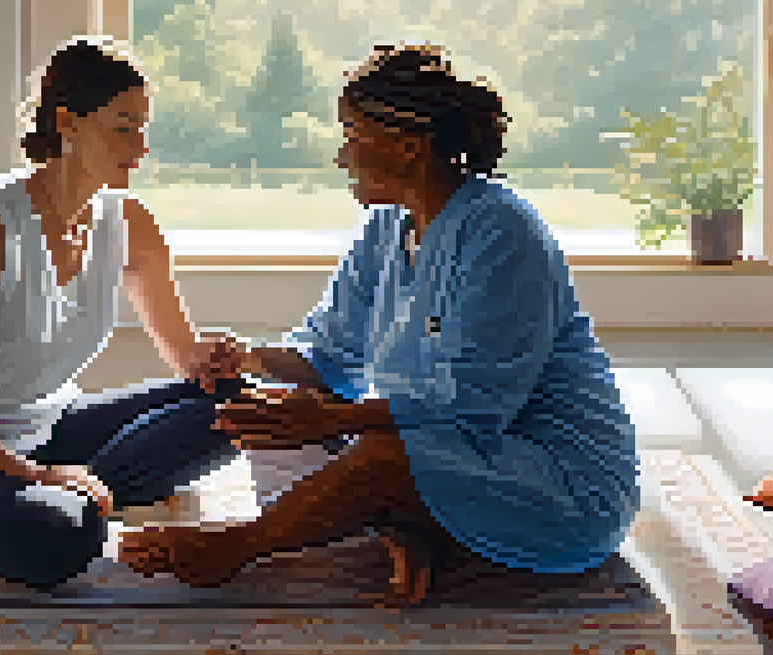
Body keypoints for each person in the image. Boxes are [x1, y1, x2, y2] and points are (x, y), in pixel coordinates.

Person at [119, 43, 641, 608]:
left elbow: (475, 409)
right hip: (441, 448)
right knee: (272, 408)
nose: (342, 158)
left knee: (376, 457)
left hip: (552, 478)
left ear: (409, 146)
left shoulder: (503, 234)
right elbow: (331, 356)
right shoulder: (385, 229)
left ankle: (232, 548)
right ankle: (406, 530)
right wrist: (248, 358)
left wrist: (331, 421)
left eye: (353, 137)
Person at [0, 36, 246, 591]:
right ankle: (65, 497)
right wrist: (36, 475)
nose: (140, 147)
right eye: (122, 127)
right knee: (61, 540)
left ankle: (82, 490)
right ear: (68, 122)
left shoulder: (131, 223)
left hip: (54, 424)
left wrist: (214, 359)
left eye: (143, 127)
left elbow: (183, 355)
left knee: (239, 406)